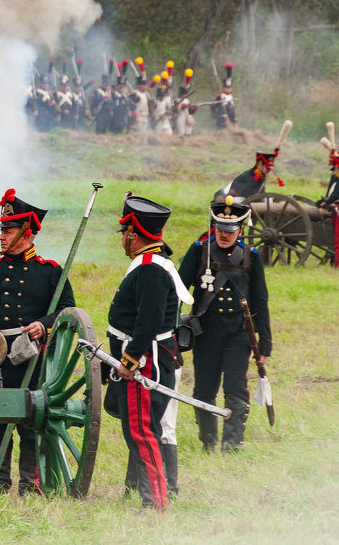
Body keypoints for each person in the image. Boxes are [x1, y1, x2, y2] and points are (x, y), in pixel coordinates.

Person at [0, 189, 75, 494]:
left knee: (32, 422)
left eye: (8, 231)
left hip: (34, 359)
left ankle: (31, 483)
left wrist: (44, 325)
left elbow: (68, 310)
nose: (1, 237)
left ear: (27, 234)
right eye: (1, 230)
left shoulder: (50, 271)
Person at [107, 194, 191, 511]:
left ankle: (156, 502)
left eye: (125, 234)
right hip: (147, 360)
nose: (123, 241)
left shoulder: (150, 269)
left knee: (143, 433)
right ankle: (153, 498)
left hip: (145, 363)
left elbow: (149, 321)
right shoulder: (152, 264)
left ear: (133, 233)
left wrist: (129, 360)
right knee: (143, 432)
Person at [179, 196, 271, 453]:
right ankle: (208, 442)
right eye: (220, 228)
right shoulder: (199, 250)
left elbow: (260, 301)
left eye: (230, 230)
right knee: (204, 389)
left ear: (240, 229)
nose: (224, 234)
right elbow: (179, 289)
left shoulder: (251, 256)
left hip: (238, 335)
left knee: (235, 389)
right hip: (205, 332)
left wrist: (265, 342)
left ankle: (232, 446)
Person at [212, 62, 236, 128]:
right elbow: (220, 109)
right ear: (224, 87)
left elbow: (232, 109)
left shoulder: (230, 96)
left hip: (230, 119)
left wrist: (234, 120)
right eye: (227, 87)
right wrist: (224, 117)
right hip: (222, 120)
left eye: (230, 87)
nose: (229, 89)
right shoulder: (221, 96)